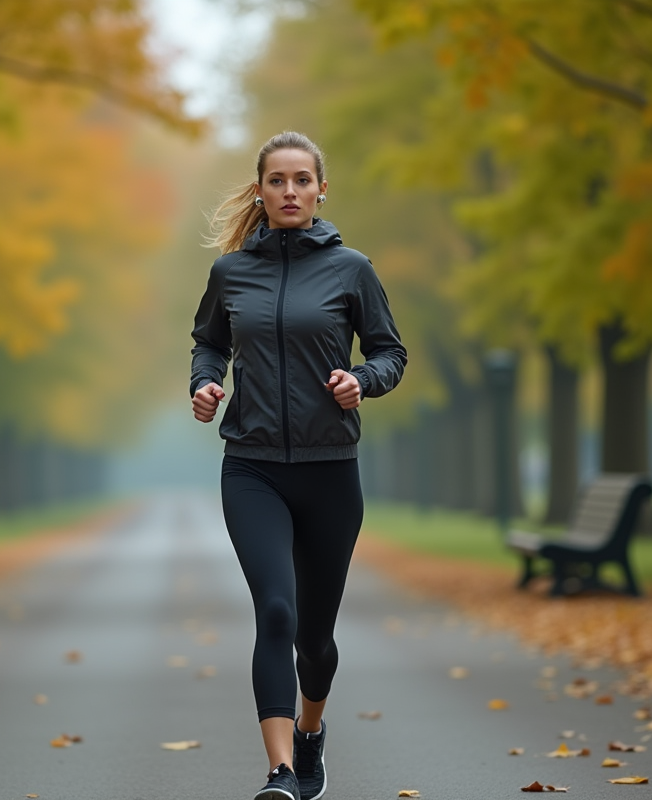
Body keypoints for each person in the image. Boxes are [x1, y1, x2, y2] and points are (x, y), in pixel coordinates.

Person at [190, 131, 407, 800]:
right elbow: (208, 344)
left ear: (320, 189)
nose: (289, 191)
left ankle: (312, 734)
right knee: (276, 614)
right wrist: (204, 384)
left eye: (301, 180)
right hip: (252, 467)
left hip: (330, 472)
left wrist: (361, 381)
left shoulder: (353, 269)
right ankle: (281, 771)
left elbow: (390, 353)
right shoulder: (231, 272)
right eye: (277, 180)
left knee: (314, 638)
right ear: (260, 189)